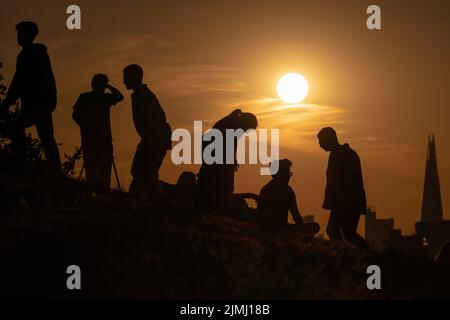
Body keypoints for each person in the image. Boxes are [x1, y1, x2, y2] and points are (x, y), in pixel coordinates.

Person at [0, 21, 61, 174]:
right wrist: (9, 101)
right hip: (35, 103)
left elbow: (22, 80)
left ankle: (51, 168)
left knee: (45, 135)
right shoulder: (24, 56)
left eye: (20, 34)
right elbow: (18, 81)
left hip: (40, 103)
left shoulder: (35, 54)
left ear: (28, 35)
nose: (18, 37)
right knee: (36, 133)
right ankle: (24, 164)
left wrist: (8, 101)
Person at [123, 64, 172, 202]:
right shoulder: (140, 94)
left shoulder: (143, 95)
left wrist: (152, 139)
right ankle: (147, 199)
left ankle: (153, 200)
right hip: (153, 138)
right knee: (142, 171)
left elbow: (158, 118)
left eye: (126, 77)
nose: (124, 81)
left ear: (135, 77)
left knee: (144, 172)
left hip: (155, 139)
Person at [195, 109, 257, 213]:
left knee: (220, 184)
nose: (245, 132)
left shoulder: (233, 123)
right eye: (247, 129)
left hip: (214, 156)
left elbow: (231, 144)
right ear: (245, 124)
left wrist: (233, 159)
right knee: (219, 186)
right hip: (214, 157)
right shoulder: (231, 125)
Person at [318, 127, 369, 249]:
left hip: (345, 202)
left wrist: (334, 201)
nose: (320, 145)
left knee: (334, 231)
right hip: (350, 202)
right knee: (348, 233)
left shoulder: (339, 155)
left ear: (328, 139)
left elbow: (338, 182)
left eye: (321, 141)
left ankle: (343, 253)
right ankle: (366, 253)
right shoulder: (345, 154)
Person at [72, 74, 123, 191]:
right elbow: (119, 96)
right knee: (101, 170)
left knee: (94, 169)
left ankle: (94, 192)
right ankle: (100, 194)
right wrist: (109, 86)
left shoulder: (87, 97)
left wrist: (84, 126)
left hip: (93, 138)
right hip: (100, 139)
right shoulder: (103, 98)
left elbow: (75, 115)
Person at [257, 159, 320, 236]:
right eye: (287, 174)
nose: (289, 177)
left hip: (265, 227)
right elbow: (296, 216)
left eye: (289, 174)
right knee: (315, 226)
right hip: (281, 228)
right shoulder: (288, 191)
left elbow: (259, 214)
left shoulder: (265, 189)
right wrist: (303, 228)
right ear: (279, 174)